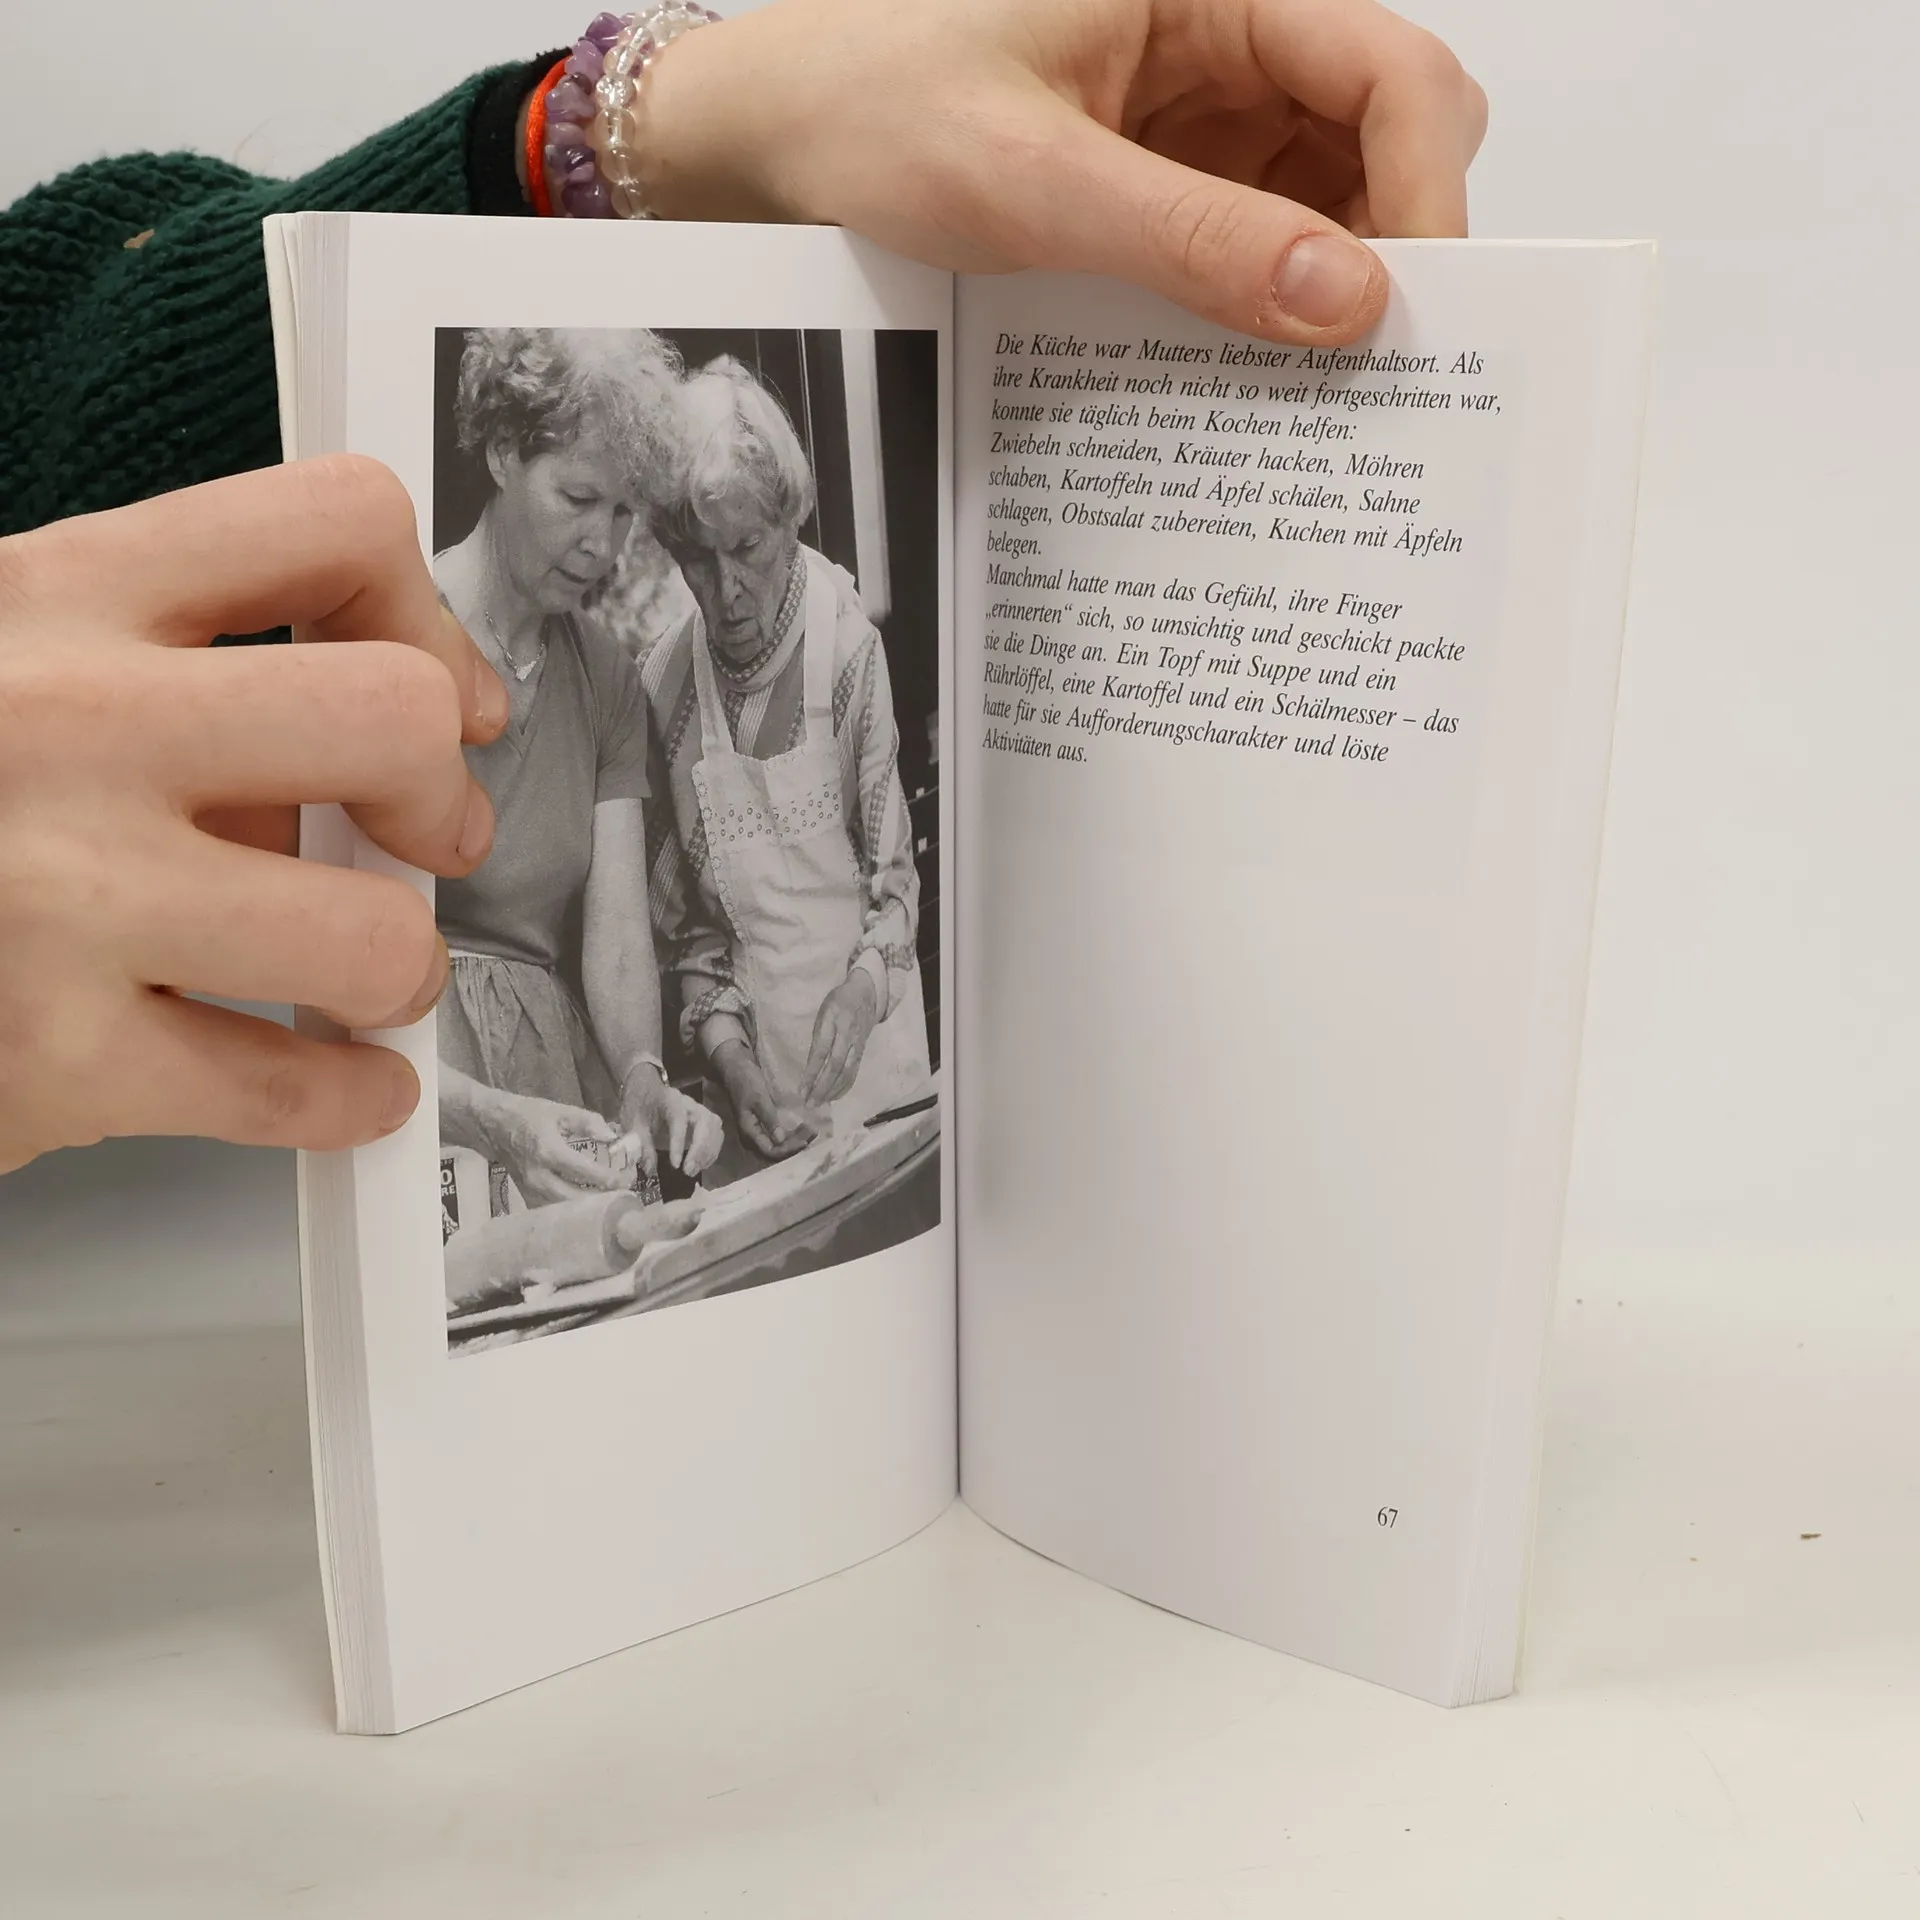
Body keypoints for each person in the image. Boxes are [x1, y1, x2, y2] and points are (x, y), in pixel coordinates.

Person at [0, 0, 1486, 1174]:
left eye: (715, 538)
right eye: (659, 535)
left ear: (794, 518)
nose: (690, 577)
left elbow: (782, 894)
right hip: (542, 1092)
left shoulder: (759, 653)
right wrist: (715, 1050)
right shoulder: (645, 666)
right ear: (502, 456)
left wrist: (665, 1066)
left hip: (849, 1055)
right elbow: (687, 921)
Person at [432, 327, 723, 1200]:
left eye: (625, 512)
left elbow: (618, 934)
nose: (605, 545)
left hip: (554, 1072)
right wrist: (487, 1118)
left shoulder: (606, 679)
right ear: (502, 450)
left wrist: (641, 1077)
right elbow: (354, 979)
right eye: (579, 497)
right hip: (429, 1082)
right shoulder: (399, 636)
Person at [645, 359, 931, 1178]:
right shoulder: (666, 690)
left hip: (881, 1059)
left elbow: (894, 888)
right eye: (698, 560)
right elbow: (692, 939)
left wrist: (863, 990)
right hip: (759, 1103)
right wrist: (737, 1071)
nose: (727, 590)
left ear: (787, 520)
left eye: (747, 548)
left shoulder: (846, 650)